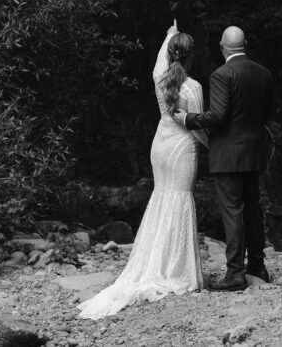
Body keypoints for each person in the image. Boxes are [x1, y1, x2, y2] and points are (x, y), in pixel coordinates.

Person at [79, 20, 207, 319]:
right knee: (180, 199)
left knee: (162, 198)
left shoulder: (160, 80)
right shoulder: (193, 87)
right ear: (190, 57)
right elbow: (198, 127)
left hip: (159, 146)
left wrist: (169, 34)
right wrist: (216, 146)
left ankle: (155, 263)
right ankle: (177, 270)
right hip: (181, 147)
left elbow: (159, 59)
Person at [172, 25, 274, 291]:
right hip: (255, 152)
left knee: (232, 212)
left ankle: (235, 274)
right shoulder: (264, 73)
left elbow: (217, 115)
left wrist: (187, 119)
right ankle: (258, 267)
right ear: (245, 44)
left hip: (228, 154)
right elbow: (266, 113)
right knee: (253, 209)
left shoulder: (222, 74)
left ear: (222, 47)